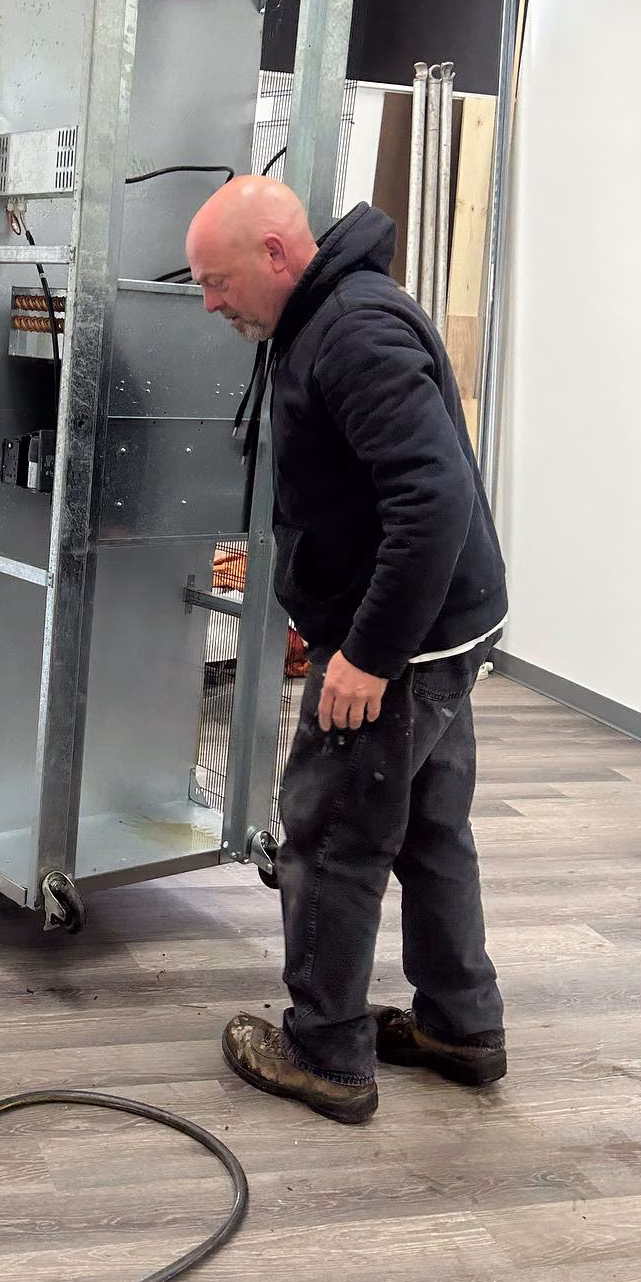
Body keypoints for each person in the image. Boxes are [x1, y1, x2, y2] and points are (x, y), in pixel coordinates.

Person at [185, 177, 509, 1125]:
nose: (210, 304)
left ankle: (325, 1050)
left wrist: (364, 655)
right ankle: (461, 1027)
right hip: (444, 627)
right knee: (430, 827)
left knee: (330, 833)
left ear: (278, 256)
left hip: (400, 646)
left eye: (217, 282)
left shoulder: (352, 333)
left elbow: (431, 500)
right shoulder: (330, 316)